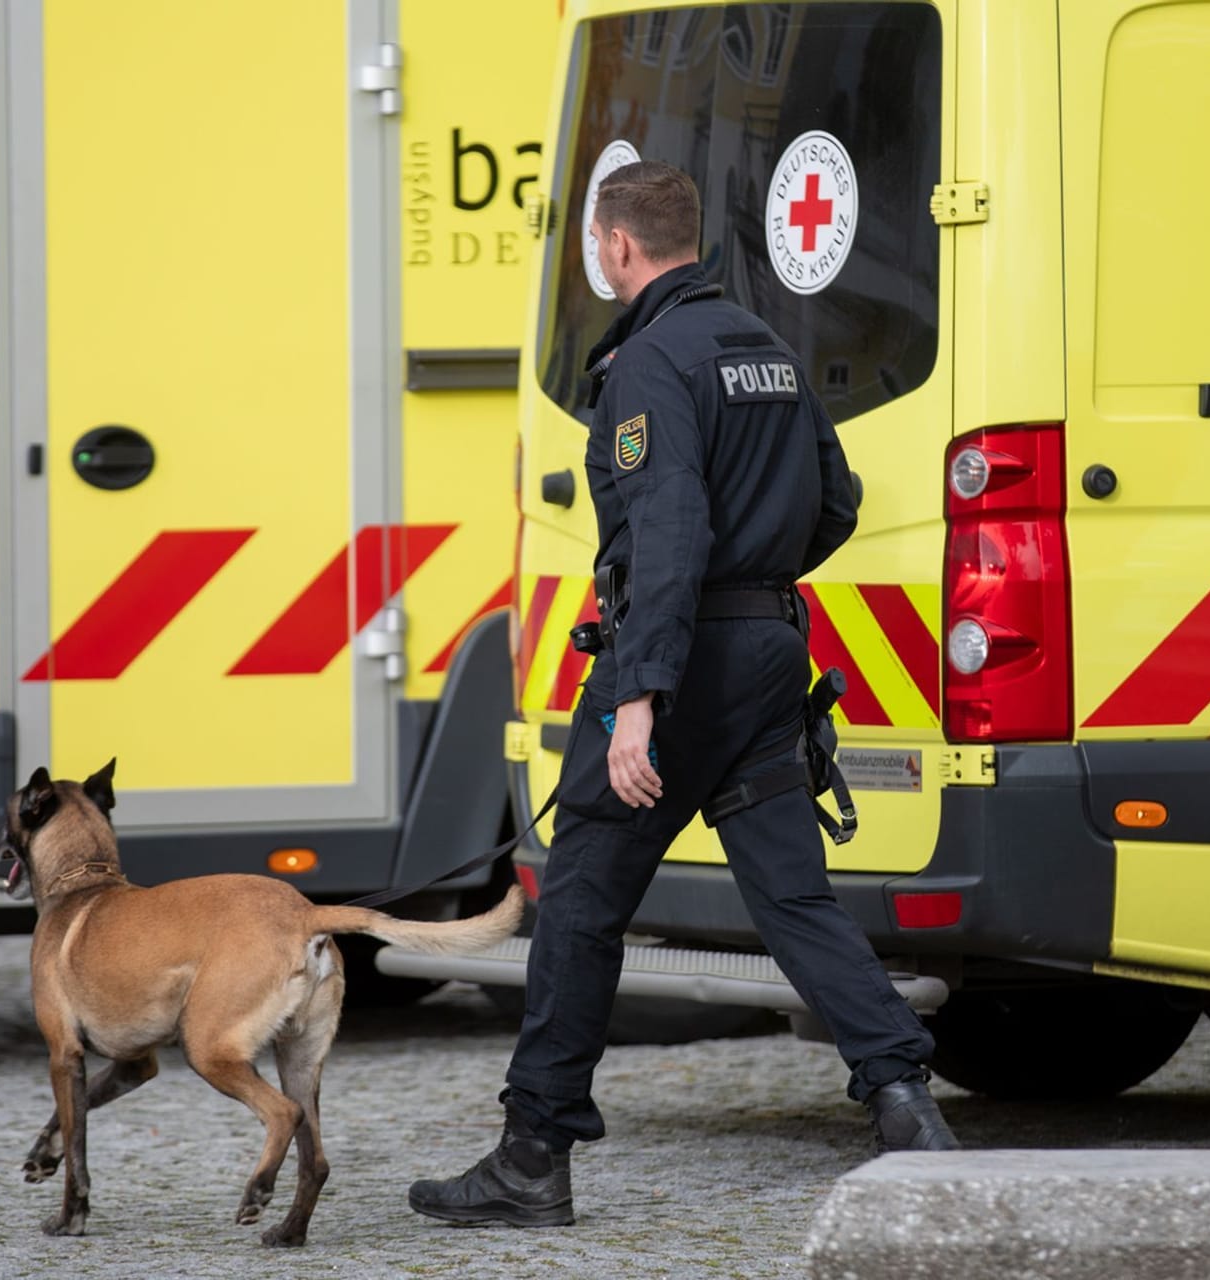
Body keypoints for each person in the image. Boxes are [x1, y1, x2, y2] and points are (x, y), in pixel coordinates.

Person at [409, 161, 958, 1230]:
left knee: (579, 904)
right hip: (764, 656)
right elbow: (835, 501)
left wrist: (643, 700)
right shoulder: (767, 350)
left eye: (599, 248)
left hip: (678, 658)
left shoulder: (649, 365)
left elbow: (666, 535)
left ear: (618, 248)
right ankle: (906, 1104)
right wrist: (761, 581)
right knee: (793, 897)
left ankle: (534, 1152)